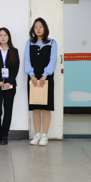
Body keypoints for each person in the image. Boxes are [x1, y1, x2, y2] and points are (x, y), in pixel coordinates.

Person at [25, 17, 58, 146]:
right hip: (33, 79)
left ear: (45, 28)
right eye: (36, 27)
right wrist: (32, 75)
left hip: (46, 79)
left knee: (46, 108)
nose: (38, 29)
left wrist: (45, 75)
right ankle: (37, 134)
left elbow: (52, 61)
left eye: (40, 26)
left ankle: (44, 135)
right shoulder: (29, 43)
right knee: (36, 107)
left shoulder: (52, 43)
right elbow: (27, 60)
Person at [0, 27, 20, 145]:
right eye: (0, 35)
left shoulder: (14, 51)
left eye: (5, 35)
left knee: (8, 110)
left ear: (9, 37)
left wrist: (9, 82)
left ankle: (4, 134)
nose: (3, 37)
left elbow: (16, 68)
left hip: (10, 86)